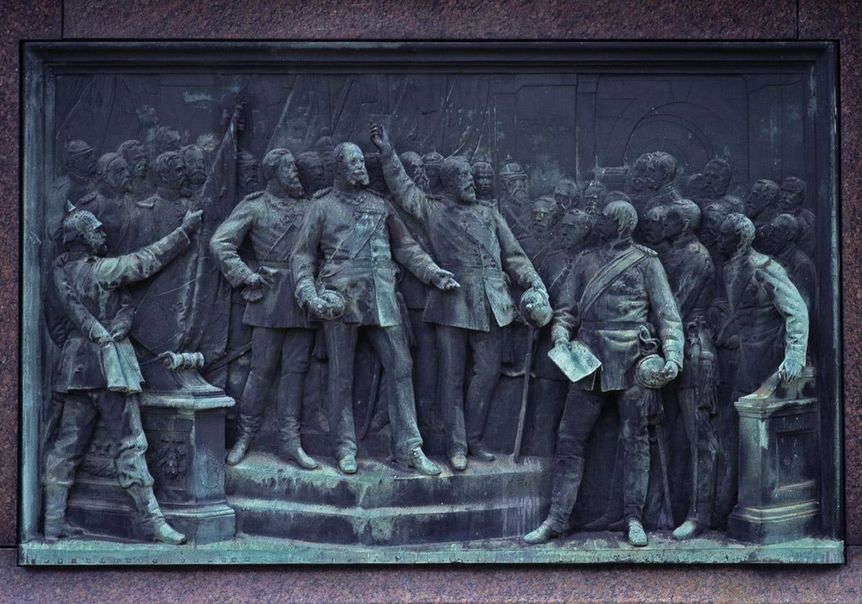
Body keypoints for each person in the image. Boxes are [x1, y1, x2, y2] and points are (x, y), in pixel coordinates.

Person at [373, 124, 548, 471]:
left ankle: (476, 438)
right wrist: (387, 153)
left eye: (471, 176)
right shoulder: (433, 209)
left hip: (494, 303)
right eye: (463, 177)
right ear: (449, 182)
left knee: (487, 371)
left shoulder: (490, 213)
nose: (470, 182)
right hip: (451, 301)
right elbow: (404, 190)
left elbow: (514, 257)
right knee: (450, 377)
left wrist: (534, 283)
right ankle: (457, 445)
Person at [291, 141, 458, 476]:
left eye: (360, 162)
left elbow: (406, 247)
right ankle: (345, 449)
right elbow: (303, 256)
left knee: (401, 366)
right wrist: (309, 295)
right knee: (341, 375)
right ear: (338, 167)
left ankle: (410, 448)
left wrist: (433, 273)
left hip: (382, 296)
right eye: (352, 162)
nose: (360, 167)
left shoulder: (380, 205)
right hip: (341, 297)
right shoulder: (321, 206)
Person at [523, 199, 683, 547]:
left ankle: (634, 519)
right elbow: (565, 312)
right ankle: (557, 519)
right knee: (569, 439)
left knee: (636, 442)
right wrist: (561, 338)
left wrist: (672, 356)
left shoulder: (646, 262)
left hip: (633, 360)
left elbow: (667, 315)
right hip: (588, 360)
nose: (599, 221)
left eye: (605, 218)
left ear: (622, 225)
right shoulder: (585, 260)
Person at [44, 203, 204, 545]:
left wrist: (117, 323)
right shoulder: (99, 270)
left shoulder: (60, 274)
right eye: (98, 230)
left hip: (74, 370)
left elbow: (56, 327)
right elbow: (145, 261)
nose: (105, 234)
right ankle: (155, 523)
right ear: (84, 238)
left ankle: (52, 523)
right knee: (131, 445)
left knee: (66, 448)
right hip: (108, 370)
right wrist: (185, 231)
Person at [210, 148, 319, 469]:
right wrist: (246, 276)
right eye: (289, 169)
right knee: (261, 371)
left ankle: (291, 441)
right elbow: (220, 243)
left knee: (295, 372)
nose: (295, 173)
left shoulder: (310, 207)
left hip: (302, 295)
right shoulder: (255, 207)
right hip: (269, 298)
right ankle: (246, 436)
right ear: (272, 174)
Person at [658, 200, 720, 540]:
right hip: (671, 349)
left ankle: (700, 514)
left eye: (669, 217)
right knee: (671, 436)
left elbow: (674, 306)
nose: (662, 221)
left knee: (700, 439)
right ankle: (668, 510)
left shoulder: (696, 256)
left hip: (694, 352)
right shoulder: (669, 253)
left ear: (682, 224)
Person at [777, 176, 815, 258]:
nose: (784, 196)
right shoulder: (771, 212)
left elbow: (806, 250)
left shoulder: (807, 219)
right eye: (783, 191)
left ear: (800, 197)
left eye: (791, 192)